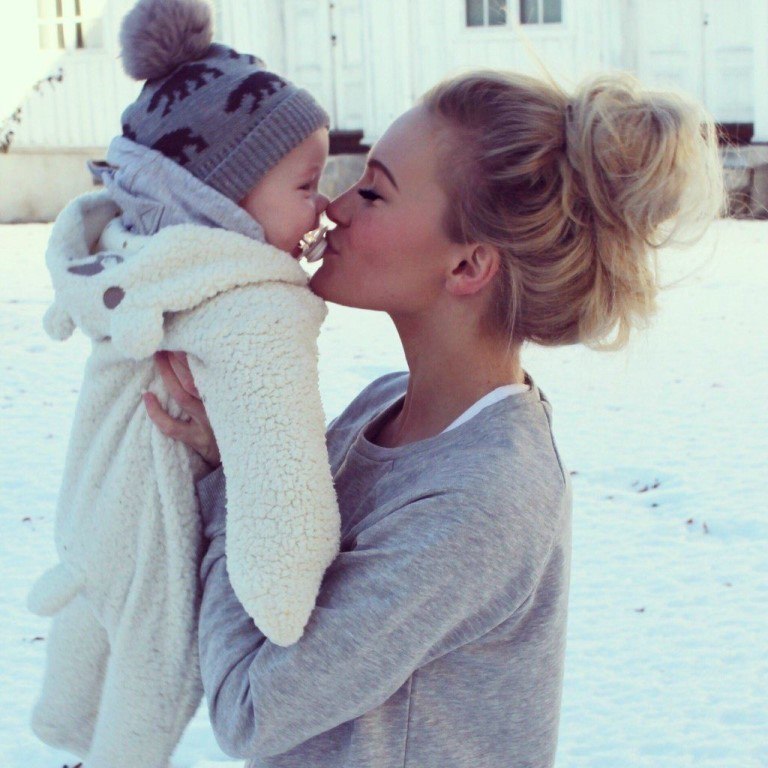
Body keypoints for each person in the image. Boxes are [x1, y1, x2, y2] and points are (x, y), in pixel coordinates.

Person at [148, 69, 724, 766]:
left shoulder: (484, 499)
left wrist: (239, 473)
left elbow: (250, 710)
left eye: (374, 191)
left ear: (468, 267)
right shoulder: (382, 405)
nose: (336, 206)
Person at [27, 1, 340, 766]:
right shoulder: (254, 307)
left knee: (83, 664)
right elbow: (282, 499)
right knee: (144, 701)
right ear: (220, 198)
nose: (325, 204)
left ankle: (65, 729)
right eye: (307, 184)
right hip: (156, 555)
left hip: (93, 513)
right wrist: (288, 585)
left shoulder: (136, 257)